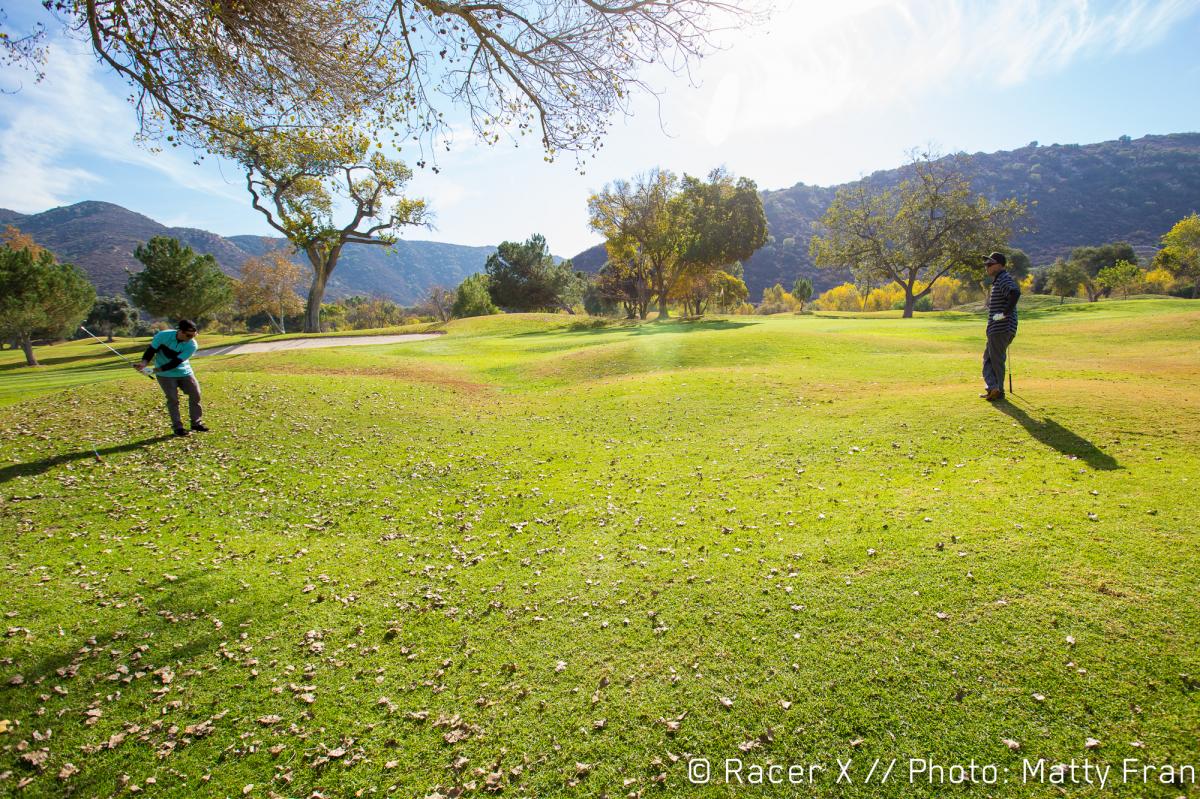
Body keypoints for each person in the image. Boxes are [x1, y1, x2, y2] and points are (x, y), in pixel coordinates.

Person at [137, 319, 208, 436]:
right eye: (189, 335)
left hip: (185, 372)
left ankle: (196, 423)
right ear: (180, 331)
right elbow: (150, 351)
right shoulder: (162, 336)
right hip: (166, 376)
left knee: (196, 394)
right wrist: (144, 364)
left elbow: (175, 362)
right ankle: (178, 428)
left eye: (194, 335)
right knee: (173, 400)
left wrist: (153, 370)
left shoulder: (192, 344)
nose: (191, 337)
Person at [980, 251, 1020, 402]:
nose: (987, 266)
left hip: (1000, 328)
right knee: (989, 359)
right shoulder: (999, 280)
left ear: (1000, 265)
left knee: (994, 360)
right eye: (986, 264)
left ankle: (998, 390)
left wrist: (1004, 313)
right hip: (999, 329)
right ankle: (993, 388)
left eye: (990, 264)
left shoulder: (1003, 279)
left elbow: (1015, 293)